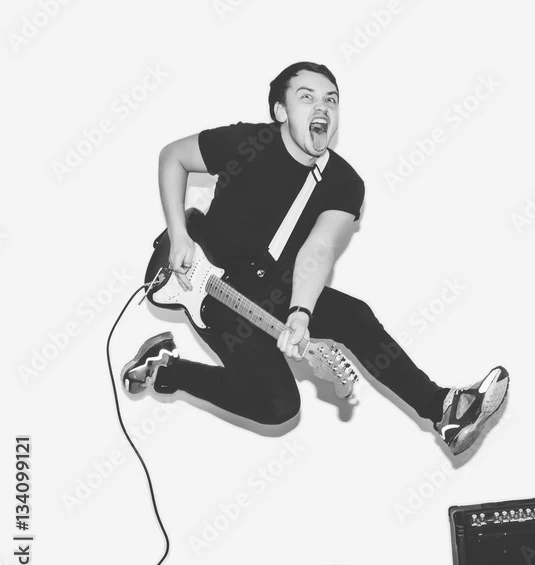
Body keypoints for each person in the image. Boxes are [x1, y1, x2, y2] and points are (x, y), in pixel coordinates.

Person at [119, 61, 509, 455]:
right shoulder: (247, 142)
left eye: (331, 100)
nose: (321, 106)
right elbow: (173, 156)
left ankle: (443, 410)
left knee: (353, 316)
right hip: (204, 283)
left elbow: (320, 248)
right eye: (306, 97)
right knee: (280, 407)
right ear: (281, 111)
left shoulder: (345, 183)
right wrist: (179, 233)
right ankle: (168, 372)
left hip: (274, 287)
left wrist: (300, 313)